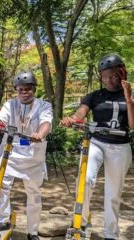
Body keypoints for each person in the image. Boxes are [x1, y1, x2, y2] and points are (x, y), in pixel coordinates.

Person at [61, 53, 133, 240]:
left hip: (120, 146)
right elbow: (80, 114)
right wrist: (73, 120)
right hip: (97, 142)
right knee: (85, 180)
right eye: (105, 75)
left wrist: (128, 98)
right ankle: (82, 221)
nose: (110, 79)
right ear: (100, 76)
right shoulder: (94, 96)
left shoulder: (130, 94)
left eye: (114, 74)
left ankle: (111, 234)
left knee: (113, 193)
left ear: (122, 73)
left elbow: (133, 125)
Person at [0, 71, 53, 240]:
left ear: (34, 89)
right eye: (21, 89)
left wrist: (40, 134)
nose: (24, 92)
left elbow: (46, 123)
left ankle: (32, 231)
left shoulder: (44, 105)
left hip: (33, 156)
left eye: (28, 89)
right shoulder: (11, 104)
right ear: (16, 90)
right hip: (12, 152)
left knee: (33, 194)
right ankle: (2, 219)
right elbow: (1, 119)